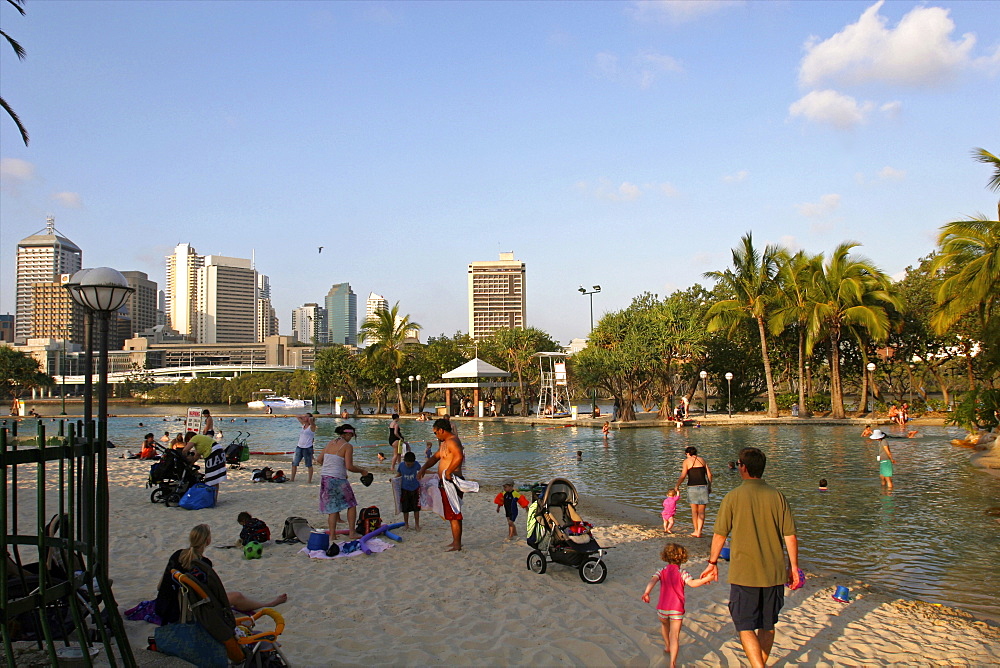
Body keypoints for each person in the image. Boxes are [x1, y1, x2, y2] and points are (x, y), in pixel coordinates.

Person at [700, 447, 800, 668]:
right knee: (767, 624)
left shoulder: (733, 497)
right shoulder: (777, 496)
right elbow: (790, 536)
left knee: (744, 625)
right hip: (774, 572)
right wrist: (793, 567)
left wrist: (712, 562)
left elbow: (720, 534)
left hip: (745, 573)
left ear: (742, 467)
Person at [154, 524, 286, 625]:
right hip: (183, 612)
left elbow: (160, 586)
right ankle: (268, 604)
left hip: (162, 606)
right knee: (236, 596)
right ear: (207, 541)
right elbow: (210, 597)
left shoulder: (177, 554)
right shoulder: (204, 564)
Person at [642, 542, 713, 667]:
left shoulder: (661, 571)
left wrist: (647, 593)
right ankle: (672, 663)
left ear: (666, 556)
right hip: (676, 609)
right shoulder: (682, 573)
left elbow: (652, 581)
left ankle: (667, 646)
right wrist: (705, 580)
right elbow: (693, 583)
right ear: (682, 558)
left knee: (664, 627)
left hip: (662, 608)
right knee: (674, 636)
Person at [417, 418, 465, 551]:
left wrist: (449, 471)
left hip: (452, 481)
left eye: (435, 433)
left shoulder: (453, 441)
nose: (435, 435)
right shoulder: (445, 443)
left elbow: (459, 456)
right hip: (445, 481)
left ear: (441, 430)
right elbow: (435, 458)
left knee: (454, 513)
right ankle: (456, 541)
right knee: (450, 514)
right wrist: (423, 468)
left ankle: (457, 544)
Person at [316, 424, 368, 540]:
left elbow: (319, 460)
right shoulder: (347, 446)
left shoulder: (330, 443)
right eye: (352, 435)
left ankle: (333, 535)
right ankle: (352, 532)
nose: (352, 438)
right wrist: (362, 471)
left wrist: (331, 466)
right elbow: (349, 466)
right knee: (351, 504)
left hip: (325, 478)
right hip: (338, 479)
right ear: (348, 434)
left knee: (332, 508)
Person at [673, 446, 713, 538]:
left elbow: (683, 475)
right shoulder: (702, 460)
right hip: (703, 486)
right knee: (702, 511)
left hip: (692, 487)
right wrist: (709, 486)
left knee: (694, 511)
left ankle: (695, 531)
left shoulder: (687, 461)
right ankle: (700, 531)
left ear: (688, 453)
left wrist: (677, 485)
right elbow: (710, 474)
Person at [183, 432, 227, 498]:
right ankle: (214, 498)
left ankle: (212, 498)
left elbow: (185, 450)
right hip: (219, 452)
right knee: (214, 478)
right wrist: (190, 464)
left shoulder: (195, 437)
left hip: (213, 453)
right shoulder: (200, 442)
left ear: (189, 438)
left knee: (211, 477)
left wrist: (184, 457)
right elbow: (196, 456)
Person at [396, 451, 422, 530]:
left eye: (411, 464)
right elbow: (399, 474)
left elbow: (422, 471)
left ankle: (417, 525)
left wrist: (433, 473)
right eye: (408, 464)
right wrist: (393, 479)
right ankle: (406, 524)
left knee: (416, 508)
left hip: (415, 489)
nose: (409, 466)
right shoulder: (401, 465)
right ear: (404, 461)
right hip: (405, 489)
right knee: (405, 509)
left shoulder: (416, 464)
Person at [291, 413, 316, 483]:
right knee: (294, 463)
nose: (304, 418)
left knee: (309, 464)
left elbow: (311, 421)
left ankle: (309, 480)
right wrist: (304, 416)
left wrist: (309, 418)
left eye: (306, 417)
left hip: (307, 448)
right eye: (304, 417)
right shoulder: (303, 425)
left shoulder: (312, 427)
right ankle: (292, 478)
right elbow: (297, 416)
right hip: (299, 447)